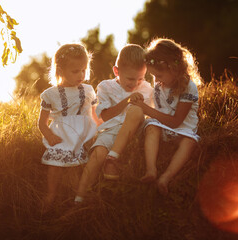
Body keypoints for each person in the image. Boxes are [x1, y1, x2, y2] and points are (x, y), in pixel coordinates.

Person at [74, 44, 153, 204]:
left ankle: (113, 157)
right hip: (111, 130)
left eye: (140, 78)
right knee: (97, 155)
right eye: (130, 79)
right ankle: (79, 199)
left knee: (136, 110)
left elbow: (149, 112)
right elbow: (105, 116)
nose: (135, 84)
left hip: (135, 129)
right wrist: (126, 101)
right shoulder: (106, 86)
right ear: (117, 71)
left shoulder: (146, 88)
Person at [133, 37, 202, 195]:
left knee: (189, 143)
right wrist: (139, 99)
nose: (156, 80)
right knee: (151, 128)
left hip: (183, 129)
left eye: (159, 75)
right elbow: (154, 104)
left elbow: (176, 121)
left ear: (174, 69)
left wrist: (147, 110)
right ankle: (151, 169)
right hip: (163, 126)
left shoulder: (188, 87)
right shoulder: (160, 85)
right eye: (153, 76)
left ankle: (166, 177)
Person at [38, 43, 100, 208]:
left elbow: (94, 114)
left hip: (84, 133)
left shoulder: (88, 90)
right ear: (60, 71)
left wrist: (99, 129)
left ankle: (77, 196)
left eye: (84, 70)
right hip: (62, 135)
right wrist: (49, 136)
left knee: (78, 167)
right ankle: (51, 194)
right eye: (75, 71)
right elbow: (42, 122)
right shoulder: (51, 94)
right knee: (56, 165)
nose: (81, 75)